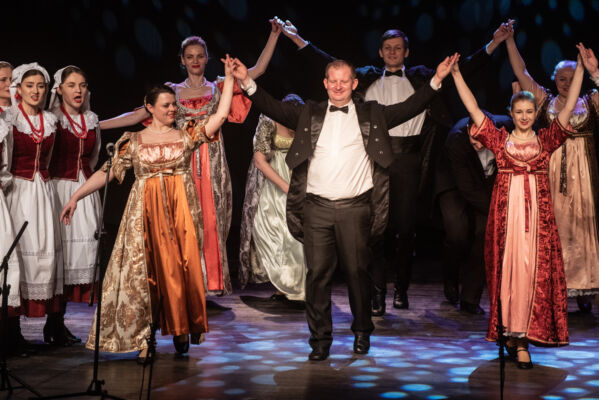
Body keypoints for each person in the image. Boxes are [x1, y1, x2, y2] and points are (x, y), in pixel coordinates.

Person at [274, 18, 513, 313]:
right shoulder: (364, 78)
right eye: (387, 48)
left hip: (410, 160)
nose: (392, 52)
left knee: (405, 230)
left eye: (398, 48)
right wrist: (298, 40)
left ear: (406, 52)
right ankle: (377, 291)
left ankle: (401, 288)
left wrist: (494, 43)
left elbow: (461, 70)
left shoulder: (422, 78)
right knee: (374, 229)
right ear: (380, 52)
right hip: (373, 160)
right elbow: (329, 65)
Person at [232, 53, 458, 360]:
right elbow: (272, 106)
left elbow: (409, 107)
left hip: (355, 208)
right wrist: (246, 81)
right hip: (317, 208)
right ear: (325, 84)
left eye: (344, 81)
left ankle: (362, 330)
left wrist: (437, 79)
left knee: (356, 273)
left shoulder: (372, 114)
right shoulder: (308, 113)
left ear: (354, 84)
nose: (338, 86)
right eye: (333, 81)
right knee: (317, 276)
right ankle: (320, 340)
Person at [60, 55, 236, 359]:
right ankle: (144, 339)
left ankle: (180, 326)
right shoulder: (133, 140)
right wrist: (77, 196)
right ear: (149, 107)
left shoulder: (186, 134)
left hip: (180, 212)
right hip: (144, 213)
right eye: (165, 105)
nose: (172, 110)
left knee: (179, 271)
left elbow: (219, 117)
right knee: (143, 275)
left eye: (173, 105)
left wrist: (230, 80)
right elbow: (107, 172)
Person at [99, 21, 282, 296]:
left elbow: (258, 70)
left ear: (207, 59)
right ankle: (183, 282)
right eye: (189, 56)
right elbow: (137, 115)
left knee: (211, 220)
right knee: (180, 221)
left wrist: (274, 35)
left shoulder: (220, 87)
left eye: (200, 56)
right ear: (182, 61)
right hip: (180, 160)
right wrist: (96, 124)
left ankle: (210, 283)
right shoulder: (172, 91)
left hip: (213, 164)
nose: (195, 61)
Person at [451, 46, 585, 369]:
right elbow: (473, 108)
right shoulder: (499, 141)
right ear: (511, 114)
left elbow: (568, 108)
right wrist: (455, 75)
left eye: (529, 111)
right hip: (507, 222)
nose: (524, 116)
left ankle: (523, 339)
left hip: (536, 224)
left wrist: (581, 68)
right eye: (519, 111)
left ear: (535, 114)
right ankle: (512, 335)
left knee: (530, 275)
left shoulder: (546, 140)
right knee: (509, 276)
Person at [506, 29, 599, 312]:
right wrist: (509, 40)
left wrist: (594, 71)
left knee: (581, 227)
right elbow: (521, 71)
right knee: (553, 228)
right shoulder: (545, 100)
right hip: (551, 172)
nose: (567, 84)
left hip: (583, 175)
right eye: (561, 79)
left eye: (571, 78)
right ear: (554, 80)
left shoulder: (590, 101)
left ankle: (584, 288)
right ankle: (553, 287)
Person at [4, 63, 64, 343]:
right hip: (18, 190)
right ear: (19, 88)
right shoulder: (9, 118)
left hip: (42, 191)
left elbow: (48, 159)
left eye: (41, 86)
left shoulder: (50, 120)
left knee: (42, 252)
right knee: (18, 254)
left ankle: (42, 325)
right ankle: (12, 331)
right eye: (30, 86)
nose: (36, 91)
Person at [436, 112, 513, 314]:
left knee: (484, 233)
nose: (478, 144)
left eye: (482, 140)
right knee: (457, 232)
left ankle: (469, 299)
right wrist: (497, 211)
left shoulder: (506, 130)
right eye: (474, 139)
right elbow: (467, 188)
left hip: (486, 183)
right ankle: (450, 278)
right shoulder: (457, 141)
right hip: (454, 183)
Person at [47, 65, 101, 345]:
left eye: (82, 85)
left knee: (77, 257)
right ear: (59, 90)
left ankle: (58, 322)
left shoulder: (91, 119)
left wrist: (84, 184)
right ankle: (52, 321)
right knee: (59, 255)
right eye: (71, 85)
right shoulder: (52, 120)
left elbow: (94, 156)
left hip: (83, 189)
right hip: (59, 188)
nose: (78, 90)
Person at [239, 94, 306, 302]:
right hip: (272, 178)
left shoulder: (307, 121)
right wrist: (286, 186)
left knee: (294, 235)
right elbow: (260, 160)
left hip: (298, 174)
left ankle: (296, 288)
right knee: (272, 231)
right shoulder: (268, 121)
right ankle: (285, 284)